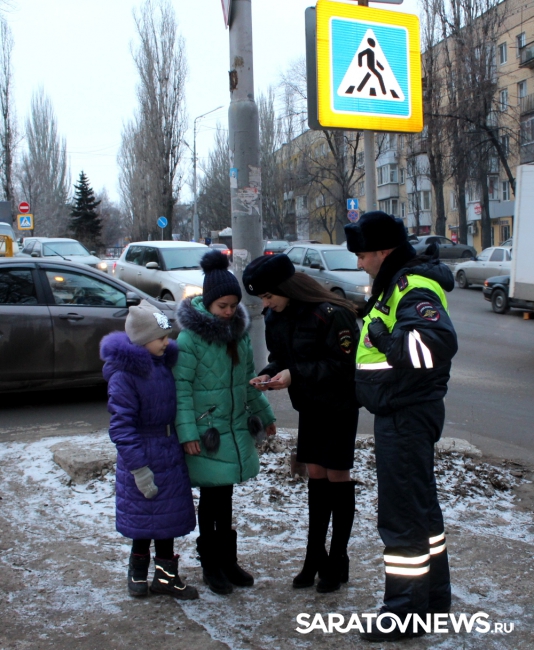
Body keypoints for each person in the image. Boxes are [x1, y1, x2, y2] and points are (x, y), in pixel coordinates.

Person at [344, 211, 458, 642]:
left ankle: (405, 614)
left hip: (406, 413)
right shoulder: (398, 283)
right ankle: (433, 599)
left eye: (363, 255)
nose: (359, 264)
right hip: (404, 411)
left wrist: (381, 337)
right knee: (420, 510)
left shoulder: (412, 285)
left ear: (384, 251)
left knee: (402, 517)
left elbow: (434, 345)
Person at [243, 254, 360, 593]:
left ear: (287, 287)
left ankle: (337, 559)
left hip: (339, 406)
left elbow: (343, 367)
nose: (266, 304)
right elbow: (281, 358)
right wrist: (268, 374)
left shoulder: (331, 313)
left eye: (268, 296)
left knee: (336, 476)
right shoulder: (276, 315)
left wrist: (294, 374)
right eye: (262, 298)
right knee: (315, 475)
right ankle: (314, 556)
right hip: (310, 405)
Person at [174, 250, 276, 595]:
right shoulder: (190, 339)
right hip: (208, 433)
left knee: (226, 496)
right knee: (211, 498)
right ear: (207, 303)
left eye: (233, 305)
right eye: (222, 306)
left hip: (232, 430)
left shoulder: (239, 335)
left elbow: (247, 382)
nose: (229, 311)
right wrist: (188, 433)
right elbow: (181, 390)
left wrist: (265, 416)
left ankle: (228, 560)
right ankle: (211, 564)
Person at [100, 300, 198, 601]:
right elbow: (121, 427)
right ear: (142, 340)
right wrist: (139, 469)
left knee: (166, 520)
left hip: (167, 452)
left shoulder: (162, 364)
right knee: (143, 521)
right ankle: (137, 573)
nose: (167, 343)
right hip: (142, 455)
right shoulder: (125, 375)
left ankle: (165, 578)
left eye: (167, 337)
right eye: (160, 338)